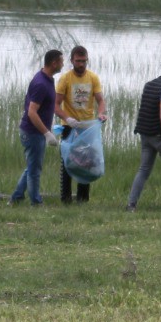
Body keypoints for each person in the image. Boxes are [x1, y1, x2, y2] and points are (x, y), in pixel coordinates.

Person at [55, 44, 107, 204]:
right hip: (69, 127)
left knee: (87, 163)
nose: (81, 64)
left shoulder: (92, 78)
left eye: (84, 61)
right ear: (71, 60)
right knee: (68, 163)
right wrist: (68, 118)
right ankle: (66, 199)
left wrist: (101, 113)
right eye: (78, 61)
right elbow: (55, 105)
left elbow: (100, 100)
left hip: (87, 128)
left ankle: (83, 199)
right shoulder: (65, 78)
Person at [127, 60, 161, 211]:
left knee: (144, 170)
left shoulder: (149, 84)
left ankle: (131, 204)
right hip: (160, 136)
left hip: (145, 133)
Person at [11, 50, 63, 206]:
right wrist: (46, 133)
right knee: (34, 171)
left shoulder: (47, 79)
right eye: (61, 61)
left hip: (36, 132)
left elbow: (39, 107)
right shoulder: (41, 83)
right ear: (54, 63)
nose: (62, 64)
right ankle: (36, 203)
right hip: (32, 133)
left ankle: (16, 198)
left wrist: (49, 127)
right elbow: (31, 112)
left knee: (32, 167)